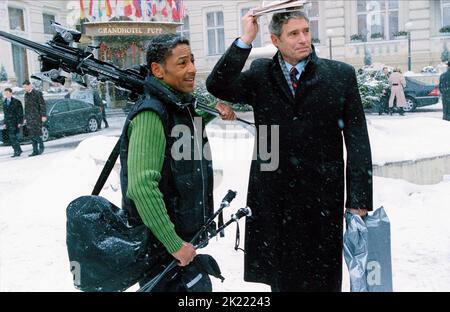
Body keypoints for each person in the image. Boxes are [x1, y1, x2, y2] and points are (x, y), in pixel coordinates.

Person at [206, 10, 373, 292]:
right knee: (282, 280)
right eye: (293, 34)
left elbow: (358, 141)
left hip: (322, 196)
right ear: (275, 40)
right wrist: (245, 39)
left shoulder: (340, 75)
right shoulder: (260, 74)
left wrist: (358, 198)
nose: (303, 39)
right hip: (274, 196)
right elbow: (217, 84)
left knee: (323, 278)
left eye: (306, 31)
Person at [119, 33, 235, 291]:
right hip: (162, 252)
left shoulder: (177, 107)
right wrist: (174, 244)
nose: (192, 69)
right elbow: (141, 187)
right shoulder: (151, 114)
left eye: (192, 60)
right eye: (182, 63)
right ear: (158, 70)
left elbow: (183, 131)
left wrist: (215, 109)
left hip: (181, 247)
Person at [23, 80, 47, 156]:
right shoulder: (26, 95)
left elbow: (42, 105)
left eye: (25, 87)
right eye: (23, 87)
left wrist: (43, 115)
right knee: (31, 135)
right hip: (29, 118)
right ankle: (35, 151)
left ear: (30, 85)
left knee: (36, 134)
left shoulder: (37, 93)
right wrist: (25, 117)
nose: (24, 88)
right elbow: (26, 108)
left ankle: (41, 146)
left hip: (37, 117)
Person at [2, 88, 23, 157]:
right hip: (8, 123)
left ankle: (17, 151)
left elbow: (20, 113)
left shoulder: (16, 102)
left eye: (7, 93)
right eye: (5, 93)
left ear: (11, 93)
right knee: (12, 138)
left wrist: (20, 122)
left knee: (13, 137)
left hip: (15, 122)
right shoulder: (4, 102)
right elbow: (5, 114)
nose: (6, 94)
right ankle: (18, 150)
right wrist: (5, 123)